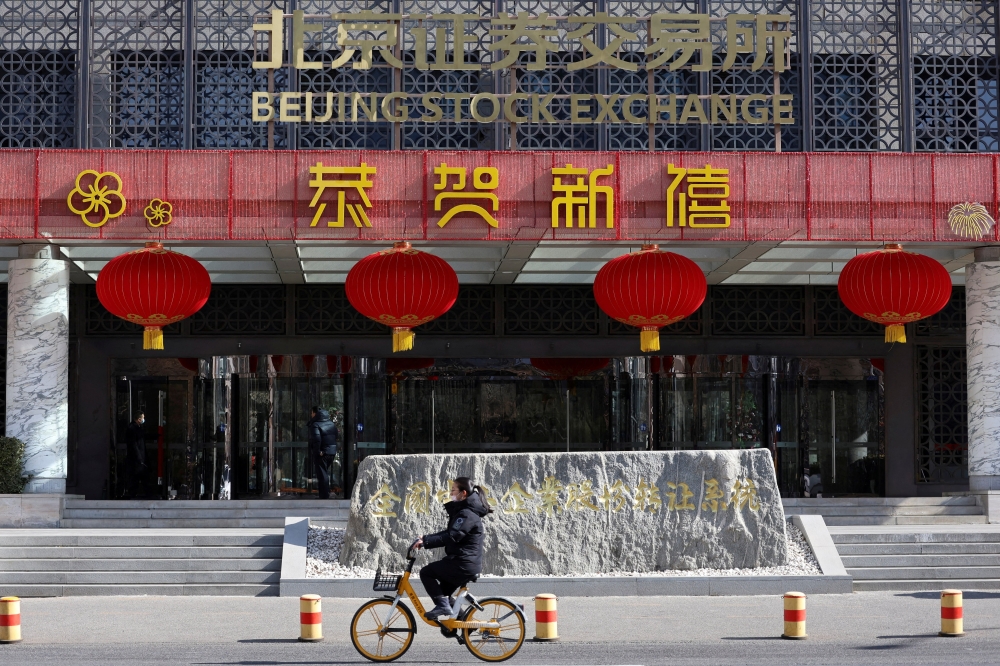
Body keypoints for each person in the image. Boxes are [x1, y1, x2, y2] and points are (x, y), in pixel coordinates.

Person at [413, 477, 492, 621]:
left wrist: (425, 543)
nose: (450, 493)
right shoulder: (464, 512)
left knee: (426, 573)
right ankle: (466, 625)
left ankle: (444, 607)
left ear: (463, 493)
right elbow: (449, 533)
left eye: (453, 490)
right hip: (463, 562)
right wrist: (425, 539)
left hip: (463, 563)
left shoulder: (467, 514)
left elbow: (452, 536)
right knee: (443, 596)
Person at [307, 406, 338, 499]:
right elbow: (336, 436)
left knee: (322, 474)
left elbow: (316, 439)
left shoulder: (316, 424)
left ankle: (324, 495)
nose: (311, 415)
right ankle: (325, 493)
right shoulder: (331, 424)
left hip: (322, 453)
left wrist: (318, 451)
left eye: (312, 413)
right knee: (324, 473)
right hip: (331, 452)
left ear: (315, 414)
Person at [124, 411, 148, 499]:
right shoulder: (132, 429)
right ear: (139, 419)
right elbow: (134, 445)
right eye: (143, 418)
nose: (143, 419)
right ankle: (133, 495)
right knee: (135, 478)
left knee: (140, 477)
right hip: (136, 460)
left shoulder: (137, 428)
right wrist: (139, 458)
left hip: (139, 458)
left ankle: (141, 494)